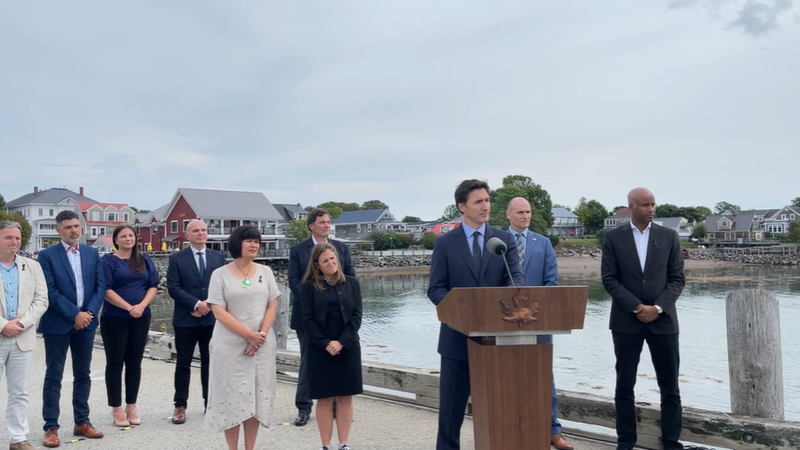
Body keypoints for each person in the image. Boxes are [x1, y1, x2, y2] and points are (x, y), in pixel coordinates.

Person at [428, 179, 525, 450]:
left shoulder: (503, 240)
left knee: (497, 408)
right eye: (478, 201)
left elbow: (515, 276)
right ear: (462, 207)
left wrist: (513, 293)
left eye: (487, 200)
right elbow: (436, 289)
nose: (485, 206)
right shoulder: (445, 243)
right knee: (451, 412)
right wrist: (459, 312)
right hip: (456, 339)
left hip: (497, 340)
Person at [601, 187, 685, 450]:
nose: (651, 209)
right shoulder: (613, 238)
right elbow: (609, 279)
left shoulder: (669, 236)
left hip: (663, 322)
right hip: (626, 323)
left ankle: (671, 443)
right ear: (631, 207)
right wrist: (637, 307)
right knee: (624, 385)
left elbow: (677, 279)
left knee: (670, 388)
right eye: (645, 205)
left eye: (653, 204)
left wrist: (657, 308)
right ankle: (626, 442)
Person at [203, 225, 280, 450]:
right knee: (232, 399)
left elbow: (272, 305)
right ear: (238, 243)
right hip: (229, 346)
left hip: (261, 345)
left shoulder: (266, 272)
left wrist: (260, 335)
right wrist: (247, 335)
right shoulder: (220, 274)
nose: (254, 245)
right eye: (249, 241)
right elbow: (218, 311)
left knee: (256, 397)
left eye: (257, 241)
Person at [505, 197, 573, 450]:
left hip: (538, 321)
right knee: (506, 375)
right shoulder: (497, 242)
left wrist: (539, 313)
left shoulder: (542, 243)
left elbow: (551, 283)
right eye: (520, 212)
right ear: (508, 215)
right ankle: (512, 428)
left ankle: (552, 430)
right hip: (503, 322)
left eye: (528, 211)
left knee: (544, 376)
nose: (526, 216)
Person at [37, 210, 106, 447]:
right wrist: (74, 314)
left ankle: (82, 422)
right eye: (68, 227)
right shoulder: (47, 255)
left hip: (86, 323)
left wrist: (88, 314)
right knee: (54, 375)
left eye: (76, 226)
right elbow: (49, 290)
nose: (74, 231)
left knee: (83, 374)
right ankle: (51, 427)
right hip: (58, 323)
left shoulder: (91, 253)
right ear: (59, 230)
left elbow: (100, 286)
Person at [288, 208, 356, 426]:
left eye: (328, 222)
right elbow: (294, 281)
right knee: (308, 363)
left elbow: (350, 278)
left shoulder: (341, 248)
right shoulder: (298, 250)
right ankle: (304, 408)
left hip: (338, 318)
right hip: (308, 318)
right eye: (322, 222)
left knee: (336, 362)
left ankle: (335, 407)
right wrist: (316, 300)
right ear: (311, 226)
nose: (327, 225)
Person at [301, 243, 363, 450]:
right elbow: (307, 320)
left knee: (345, 397)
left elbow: (357, 316)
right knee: (325, 398)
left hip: (348, 347)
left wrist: (341, 342)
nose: (330, 263)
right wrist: (326, 343)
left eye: (333, 258)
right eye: (325, 260)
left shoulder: (352, 283)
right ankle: (326, 445)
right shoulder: (308, 287)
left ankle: (343, 443)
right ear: (317, 265)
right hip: (320, 349)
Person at [167, 219, 226, 424]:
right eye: (195, 231)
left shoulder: (218, 257)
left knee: (210, 364)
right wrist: (195, 304)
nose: (200, 233)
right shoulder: (177, 259)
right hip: (185, 319)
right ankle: (180, 405)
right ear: (187, 235)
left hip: (211, 320)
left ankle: (210, 403)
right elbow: (173, 288)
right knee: (183, 364)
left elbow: (223, 286)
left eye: (203, 230)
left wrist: (207, 305)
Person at [100, 224, 159, 427]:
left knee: (135, 363)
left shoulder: (144, 259)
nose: (128, 239)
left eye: (131, 235)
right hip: (114, 317)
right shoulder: (108, 261)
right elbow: (106, 288)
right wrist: (128, 307)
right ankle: (116, 407)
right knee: (115, 363)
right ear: (116, 240)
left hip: (141, 316)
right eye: (123, 236)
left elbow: (153, 285)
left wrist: (141, 306)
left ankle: (131, 406)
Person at [0, 221, 49, 450]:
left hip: (22, 336)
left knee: (19, 392)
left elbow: (41, 300)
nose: (14, 242)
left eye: (17, 238)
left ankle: (18, 439)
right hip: (1, 333)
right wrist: (3, 325)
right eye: (9, 237)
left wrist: (21, 323)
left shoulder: (31, 266)